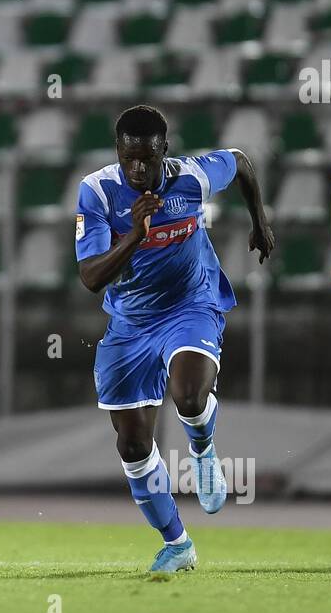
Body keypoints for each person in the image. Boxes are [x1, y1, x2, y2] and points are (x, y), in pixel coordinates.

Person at [75, 105, 273, 572]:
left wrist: (259, 221)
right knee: (132, 445)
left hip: (191, 304)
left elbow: (242, 161)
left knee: (188, 395)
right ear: (118, 153)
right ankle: (178, 544)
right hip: (130, 322)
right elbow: (90, 276)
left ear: (165, 149)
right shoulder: (98, 192)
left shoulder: (192, 178)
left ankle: (202, 449)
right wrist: (135, 235)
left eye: (147, 157)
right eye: (129, 159)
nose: (138, 169)